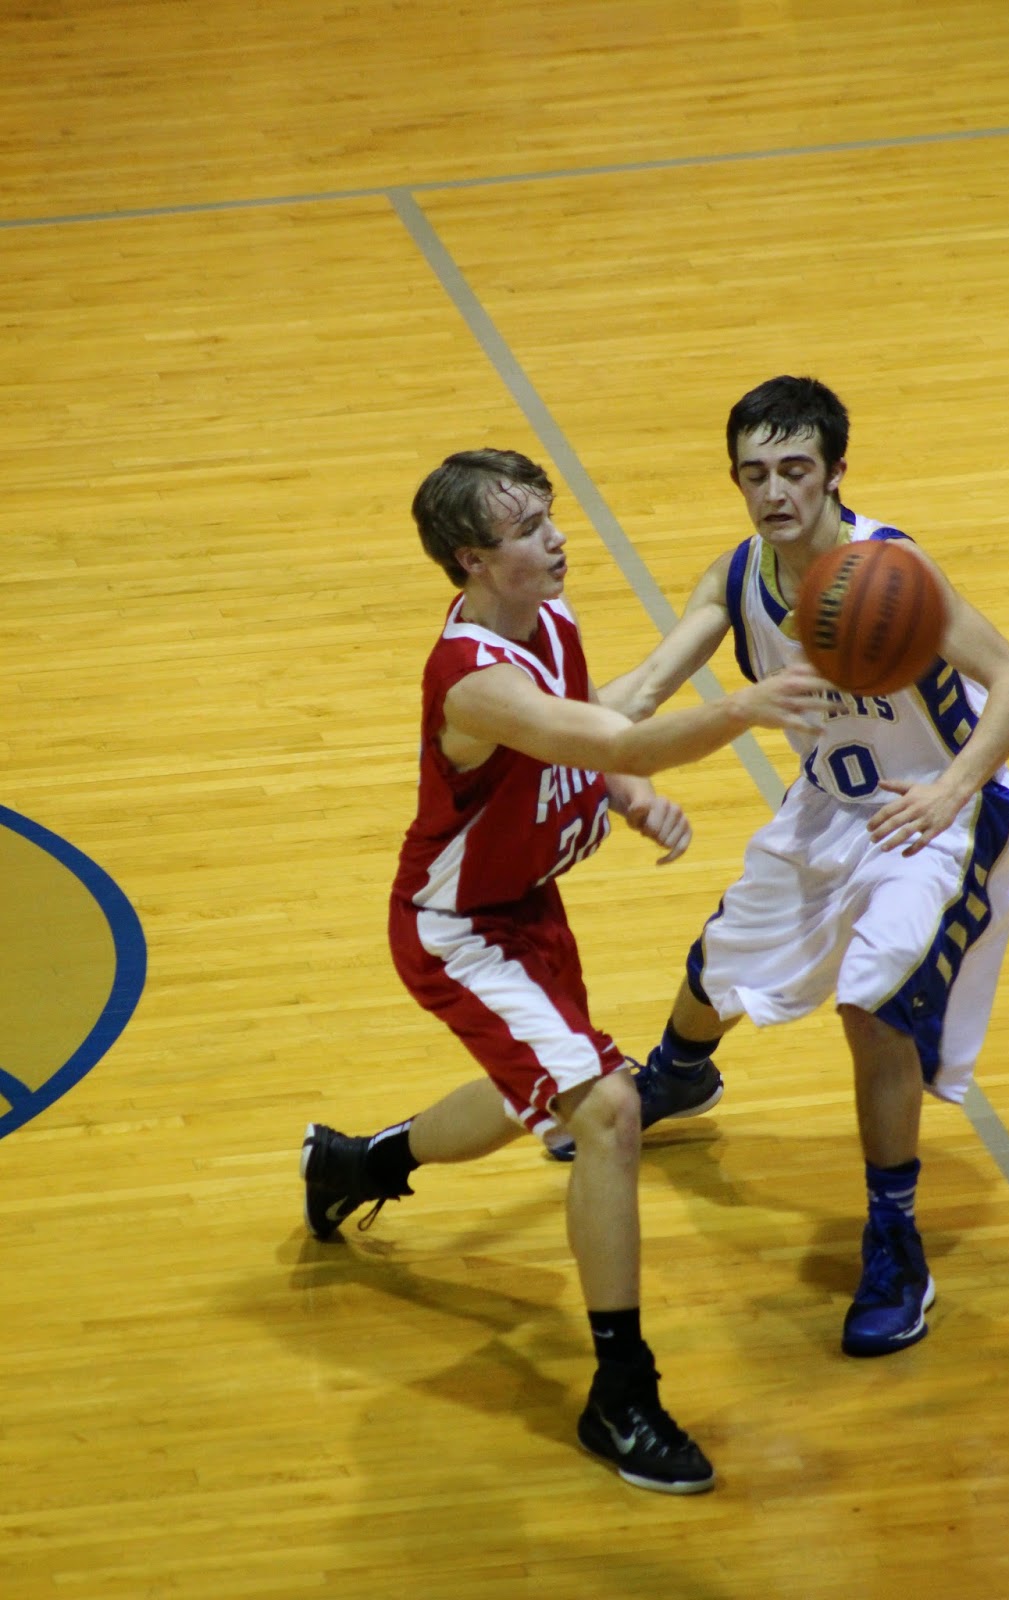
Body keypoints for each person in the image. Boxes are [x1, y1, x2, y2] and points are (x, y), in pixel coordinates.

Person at [300, 447, 831, 1494]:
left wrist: (620, 798)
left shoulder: (543, 619)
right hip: (460, 927)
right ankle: (618, 1392)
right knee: (606, 1109)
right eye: (529, 529)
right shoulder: (470, 677)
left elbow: (588, 739)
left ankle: (357, 1165)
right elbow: (604, 737)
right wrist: (736, 707)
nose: (556, 538)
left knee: (525, 1097)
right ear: (471, 560)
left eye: (550, 516)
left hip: (527, 908)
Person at [555, 376, 1009, 1359]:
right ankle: (680, 1076)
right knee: (718, 964)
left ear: (832, 473)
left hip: (931, 817)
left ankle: (895, 1242)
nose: (774, 491)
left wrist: (951, 789)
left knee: (870, 1004)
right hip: (828, 807)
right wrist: (543, 727)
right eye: (753, 473)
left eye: (794, 470)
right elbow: (647, 687)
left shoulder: (893, 572)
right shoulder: (737, 578)